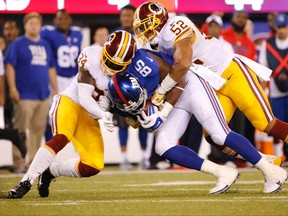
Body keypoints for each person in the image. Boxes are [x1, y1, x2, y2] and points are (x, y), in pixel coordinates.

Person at [103, 30, 286, 194]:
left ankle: (271, 171)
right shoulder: (122, 75)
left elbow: (179, 82)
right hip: (173, 97)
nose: (109, 65)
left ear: (129, 57)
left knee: (219, 134)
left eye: (114, 60)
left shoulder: (147, 63)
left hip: (190, 85)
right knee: (163, 146)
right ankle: (222, 172)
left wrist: (162, 113)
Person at [7, 30, 118, 199]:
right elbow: (83, 96)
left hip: (89, 113)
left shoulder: (126, 77)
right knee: (61, 137)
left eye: (117, 64)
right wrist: (103, 114)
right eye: (108, 58)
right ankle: (25, 182)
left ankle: (51, 171)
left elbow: (112, 102)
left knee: (93, 165)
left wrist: (118, 110)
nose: (110, 66)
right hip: (71, 101)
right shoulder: (92, 55)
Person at [5, 13, 58, 166]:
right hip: (24, 95)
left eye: (36, 23)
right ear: (25, 25)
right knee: (20, 131)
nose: (33, 26)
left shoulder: (45, 45)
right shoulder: (18, 43)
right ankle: (19, 162)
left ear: (40, 25)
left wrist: (55, 89)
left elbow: (51, 68)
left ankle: (33, 162)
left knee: (37, 131)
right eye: (30, 23)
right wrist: (13, 88)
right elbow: (10, 66)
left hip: (42, 95)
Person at [112, 4, 149, 170]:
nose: (126, 18)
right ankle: (124, 158)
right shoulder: (116, 35)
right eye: (124, 15)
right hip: (121, 84)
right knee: (122, 123)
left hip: (141, 84)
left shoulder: (143, 34)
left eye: (129, 15)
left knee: (144, 122)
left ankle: (144, 157)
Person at [41, 9, 83, 141]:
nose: (63, 21)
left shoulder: (77, 33)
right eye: (59, 19)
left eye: (65, 18)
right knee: (52, 113)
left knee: (77, 112)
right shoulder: (48, 33)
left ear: (70, 20)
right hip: (57, 77)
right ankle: (50, 145)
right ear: (54, 21)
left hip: (73, 78)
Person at [259, 13, 288, 166]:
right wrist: (262, 92)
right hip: (276, 92)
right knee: (277, 124)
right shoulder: (268, 44)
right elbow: (263, 68)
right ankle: (279, 156)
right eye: (280, 27)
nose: (282, 30)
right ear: (276, 27)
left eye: (284, 27)